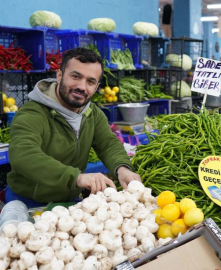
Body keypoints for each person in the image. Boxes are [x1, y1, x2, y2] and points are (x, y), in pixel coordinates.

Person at [5, 47, 141, 207]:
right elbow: (23, 155)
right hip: (28, 202)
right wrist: (78, 178)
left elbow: (108, 144)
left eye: (90, 81)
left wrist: (122, 169)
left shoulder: (92, 113)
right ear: (60, 75)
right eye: (76, 77)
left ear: (96, 87)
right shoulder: (33, 113)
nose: (82, 87)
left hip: (68, 203)